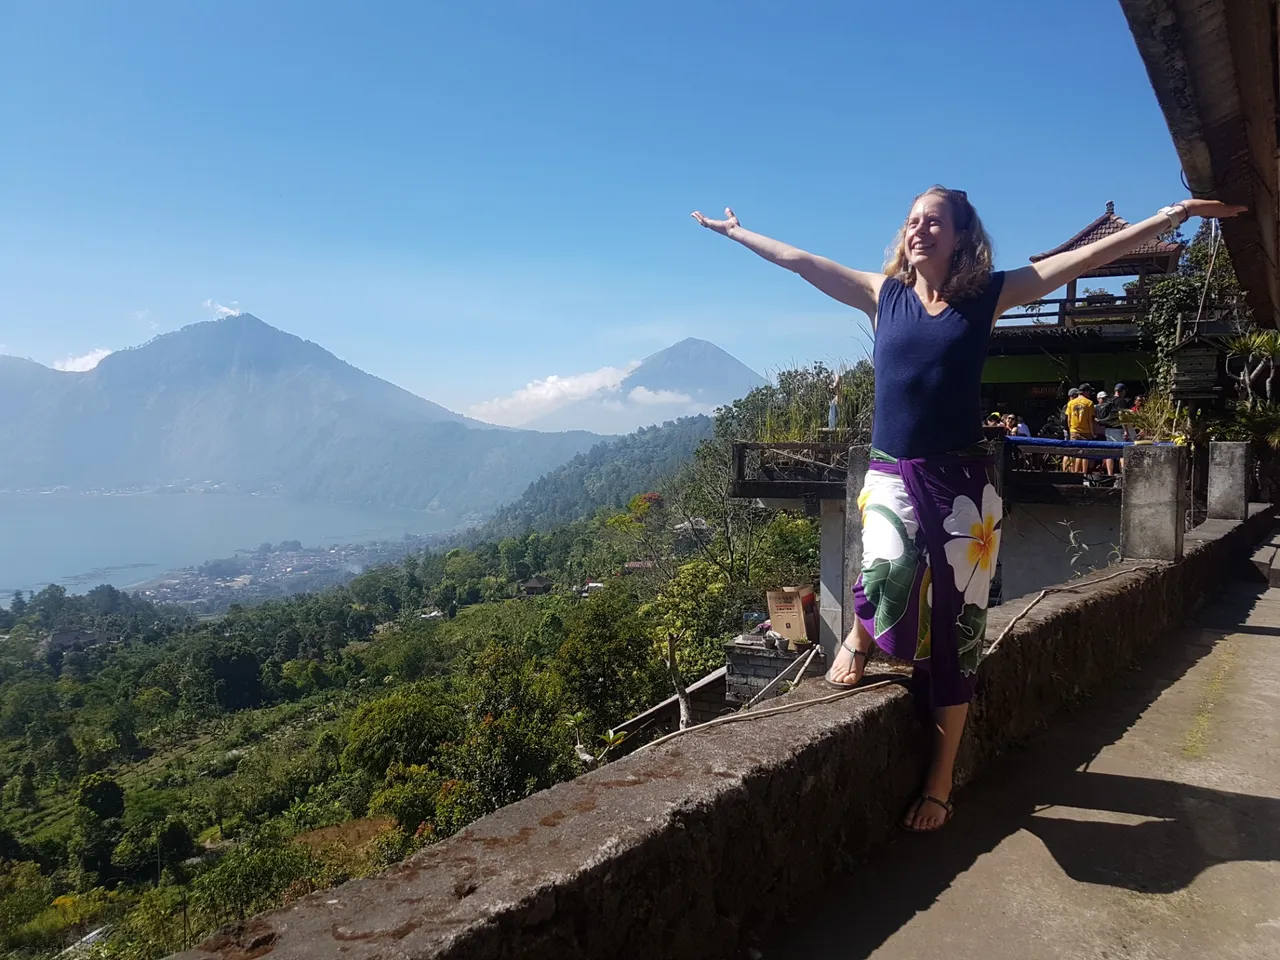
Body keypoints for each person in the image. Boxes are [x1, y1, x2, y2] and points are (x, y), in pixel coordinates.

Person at [692, 189, 1243, 832]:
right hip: (892, 471)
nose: (920, 230)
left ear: (960, 236)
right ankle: (863, 635)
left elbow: (1084, 260)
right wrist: (740, 234)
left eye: (934, 222)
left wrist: (1169, 218)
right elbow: (802, 260)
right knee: (886, 567)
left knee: (958, 628)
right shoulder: (883, 294)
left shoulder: (987, 297)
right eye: (912, 220)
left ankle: (940, 777)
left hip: (962, 485)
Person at [1066, 384, 1097, 474]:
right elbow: (1090, 420)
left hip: (1074, 430)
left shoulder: (1071, 403)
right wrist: (1092, 432)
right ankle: (1084, 473)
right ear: (1086, 392)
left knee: (1074, 453)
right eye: (1089, 392)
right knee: (1085, 454)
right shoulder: (1089, 403)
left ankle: (1074, 472)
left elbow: (1068, 419)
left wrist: (1070, 430)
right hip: (1086, 431)